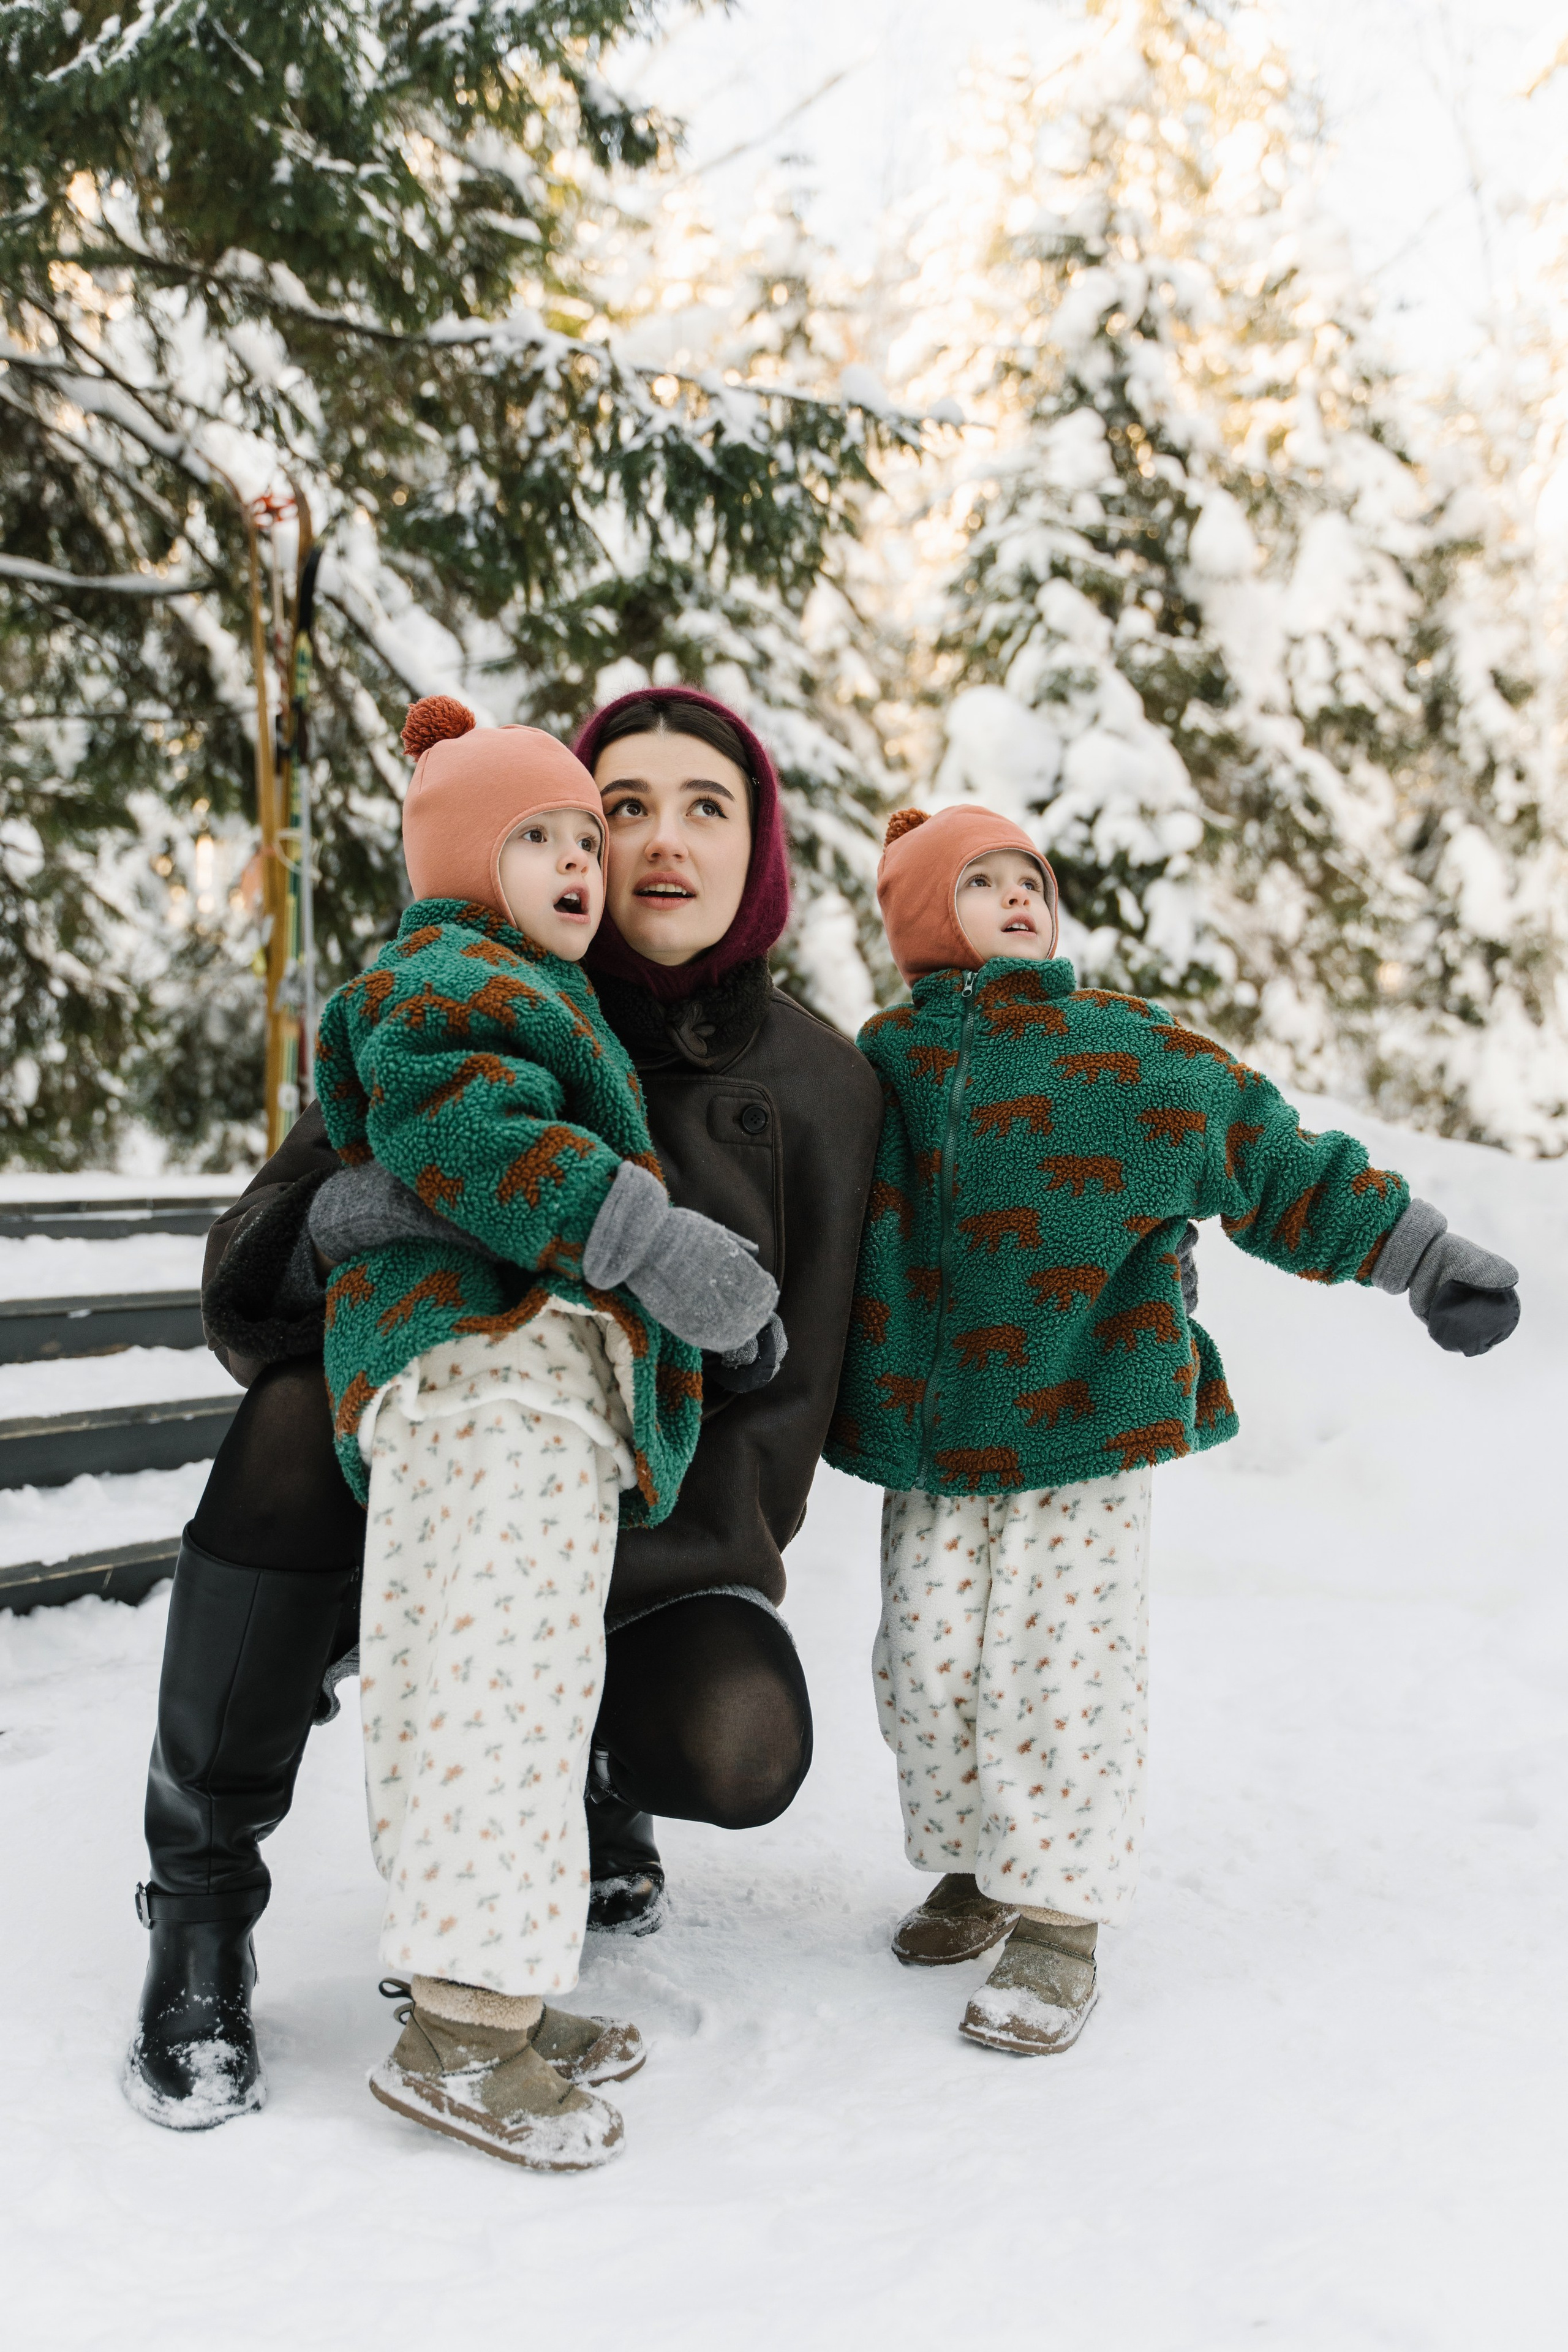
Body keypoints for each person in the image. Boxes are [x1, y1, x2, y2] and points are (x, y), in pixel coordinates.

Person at [126, 684, 884, 2128]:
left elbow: (801, 1397)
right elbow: (252, 1266)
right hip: (433, 1457)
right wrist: (373, 1214)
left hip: (652, 1510)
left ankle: (589, 1788)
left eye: (705, 807)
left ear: (760, 849)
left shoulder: (820, 1083)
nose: (657, 842)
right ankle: (200, 1907)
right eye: (620, 807)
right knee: (285, 1427)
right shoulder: (482, 981)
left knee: (738, 1735)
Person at [828, 805, 1521, 2057]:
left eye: (1030, 879)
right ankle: (979, 1865)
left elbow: (1274, 1159)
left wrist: (1424, 1260)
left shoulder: (1125, 1050)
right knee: (924, 1670)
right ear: (924, 920)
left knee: (1058, 1676)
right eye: (980, 882)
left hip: (1083, 1425)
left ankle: (1059, 1916)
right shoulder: (881, 1064)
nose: (1019, 896)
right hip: (932, 1449)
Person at [296, 697, 778, 2167]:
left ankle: (484, 1992)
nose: (583, 861)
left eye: (584, 837)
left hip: (497, 1388)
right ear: (460, 862)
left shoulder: (505, 982)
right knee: (505, 1695)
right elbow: (476, 1144)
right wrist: (652, 1243)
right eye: (540, 838)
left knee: (483, 1687)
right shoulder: (454, 981)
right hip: (497, 1382)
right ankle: (462, 2031)